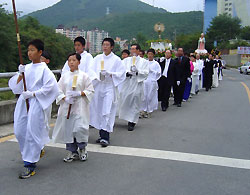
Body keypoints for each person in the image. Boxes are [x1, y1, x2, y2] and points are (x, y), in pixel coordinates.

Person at [8, 39, 59, 179]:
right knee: (19, 131)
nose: (29, 53)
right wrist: (20, 74)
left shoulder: (44, 70)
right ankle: (35, 150)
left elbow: (52, 88)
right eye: (28, 50)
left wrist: (34, 93)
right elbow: (15, 87)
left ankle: (30, 164)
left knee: (32, 131)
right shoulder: (27, 68)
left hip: (35, 103)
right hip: (23, 101)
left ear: (40, 52)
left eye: (32, 50)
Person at [52, 53, 94, 162]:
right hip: (67, 108)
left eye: (74, 60)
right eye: (69, 60)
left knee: (80, 129)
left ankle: (82, 149)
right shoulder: (64, 76)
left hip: (80, 107)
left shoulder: (84, 76)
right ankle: (72, 151)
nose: (71, 62)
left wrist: (80, 93)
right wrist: (65, 98)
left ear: (79, 62)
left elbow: (90, 90)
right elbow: (58, 90)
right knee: (69, 130)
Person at [90, 38, 126, 147]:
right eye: (103, 45)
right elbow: (91, 71)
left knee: (107, 110)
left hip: (109, 86)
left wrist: (110, 74)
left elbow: (121, 73)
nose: (105, 47)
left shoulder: (116, 60)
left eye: (107, 45)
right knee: (99, 109)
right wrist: (97, 76)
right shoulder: (97, 58)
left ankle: (106, 137)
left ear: (112, 47)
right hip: (99, 86)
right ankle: (101, 134)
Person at [119, 44, 149, 131]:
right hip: (128, 83)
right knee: (126, 101)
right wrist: (127, 73)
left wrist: (137, 72)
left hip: (137, 84)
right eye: (131, 49)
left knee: (135, 102)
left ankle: (132, 122)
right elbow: (121, 69)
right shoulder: (126, 60)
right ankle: (127, 118)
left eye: (134, 49)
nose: (132, 51)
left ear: (138, 51)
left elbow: (146, 73)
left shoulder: (144, 62)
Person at [141, 49, 161, 118]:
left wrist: (152, 71)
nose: (150, 55)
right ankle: (143, 109)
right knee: (144, 96)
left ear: (153, 55)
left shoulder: (156, 63)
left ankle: (149, 110)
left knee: (150, 96)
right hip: (145, 81)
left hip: (152, 81)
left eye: (151, 54)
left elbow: (159, 73)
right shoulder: (145, 62)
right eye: (148, 54)